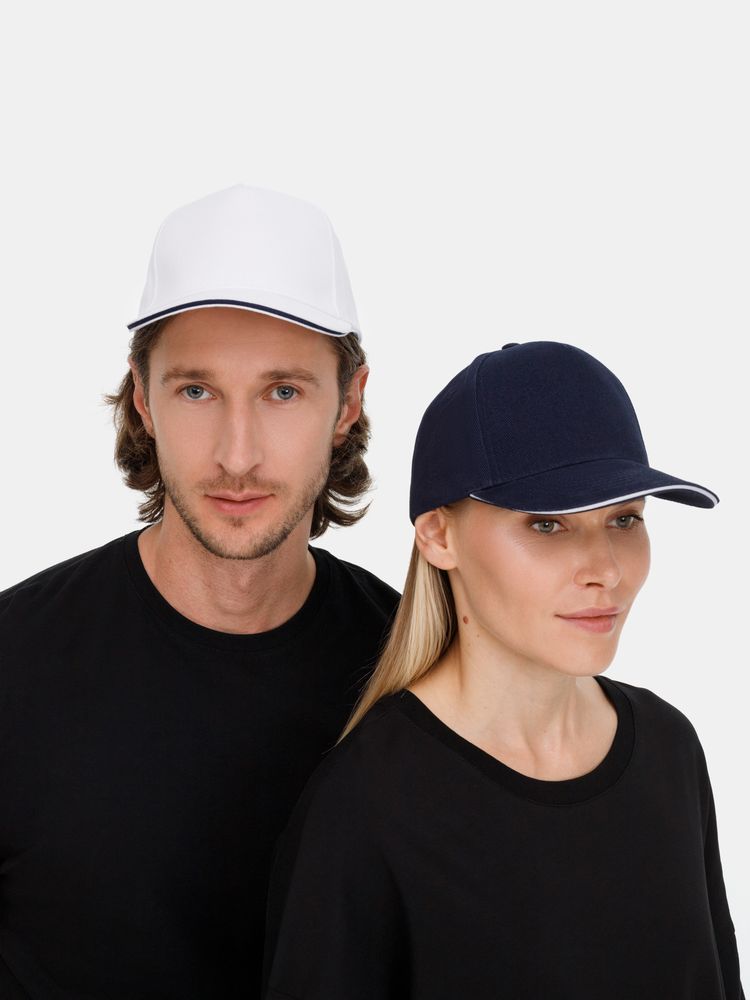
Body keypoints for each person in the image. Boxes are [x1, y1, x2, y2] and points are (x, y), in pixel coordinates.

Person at [0, 185, 398, 999]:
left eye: (283, 391)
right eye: (196, 390)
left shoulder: (417, 670)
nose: (237, 455)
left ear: (348, 403)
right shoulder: (14, 664)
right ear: (142, 398)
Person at [263, 341, 744, 1000]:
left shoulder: (669, 749)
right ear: (439, 535)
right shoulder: (367, 805)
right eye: (547, 525)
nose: (605, 569)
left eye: (625, 519)